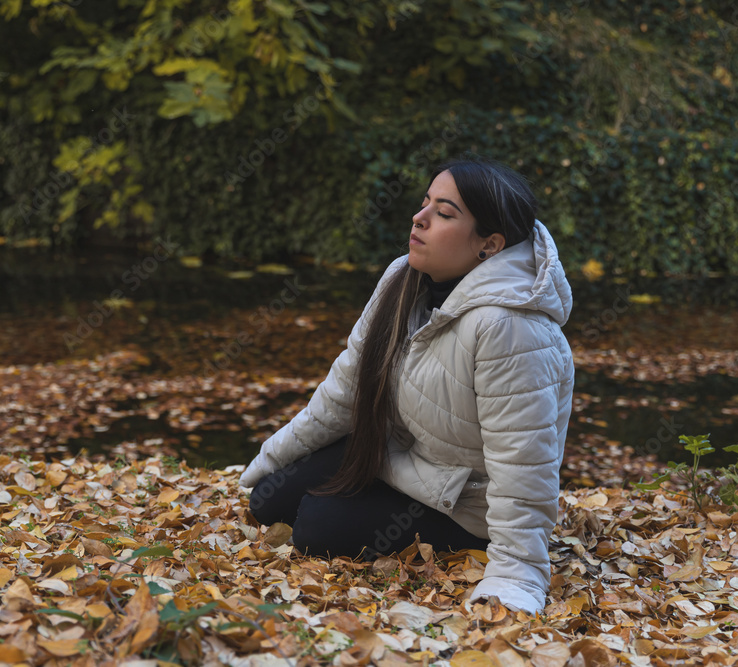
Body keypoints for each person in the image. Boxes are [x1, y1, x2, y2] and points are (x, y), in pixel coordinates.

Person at [239, 155, 574, 614]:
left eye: (444, 213)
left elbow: (524, 463)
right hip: (404, 459)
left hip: (463, 501)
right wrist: (269, 459)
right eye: (425, 204)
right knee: (267, 500)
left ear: (489, 245)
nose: (419, 218)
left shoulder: (510, 328)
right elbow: (343, 392)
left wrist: (517, 572)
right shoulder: (403, 279)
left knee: (315, 530)